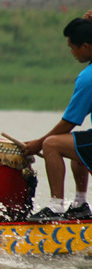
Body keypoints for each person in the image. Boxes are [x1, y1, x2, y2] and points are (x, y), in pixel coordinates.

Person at [25, 13, 92, 222]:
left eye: (73, 47)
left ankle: (55, 208)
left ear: (87, 47)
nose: (72, 52)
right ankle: (80, 205)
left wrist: (39, 143)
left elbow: (69, 122)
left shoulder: (88, 78)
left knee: (53, 143)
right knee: (77, 146)